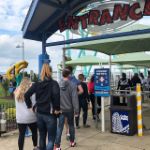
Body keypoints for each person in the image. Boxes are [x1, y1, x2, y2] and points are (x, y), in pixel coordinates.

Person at [25, 64, 60, 150]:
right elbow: (56, 97)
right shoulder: (54, 84)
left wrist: (29, 106)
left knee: (42, 136)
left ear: (41, 73)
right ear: (51, 72)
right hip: (50, 114)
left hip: (39, 113)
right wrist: (57, 109)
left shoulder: (37, 84)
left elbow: (26, 95)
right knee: (51, 139)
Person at [54, 69, 79, 150]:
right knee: (71, 126)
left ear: (62, 75)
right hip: (69, 109)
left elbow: (55, 97)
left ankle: (57, 146)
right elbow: (75, 99)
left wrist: (56, 108)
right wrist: (77, 110)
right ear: (69, 75)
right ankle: (72, 142)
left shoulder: (58, 84)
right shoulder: (72, 85)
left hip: (60, 110)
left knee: (59, 127)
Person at [14, 77, 38, 150]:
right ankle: (35, 146)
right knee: (34, 133)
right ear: (29, 83)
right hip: (31, 116)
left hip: (20, 117)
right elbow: (34, 104)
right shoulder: (32, 92)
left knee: (21, 135)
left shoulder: (16, 92)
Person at [64, 66, 83, 139]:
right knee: (70, 118)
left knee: (65, 117)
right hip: (72, 102)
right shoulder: (75, 80)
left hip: (64, 101)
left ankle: (67, 130)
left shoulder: (64, 80)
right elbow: (81, 91)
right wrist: (74, 94)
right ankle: (70, 134)